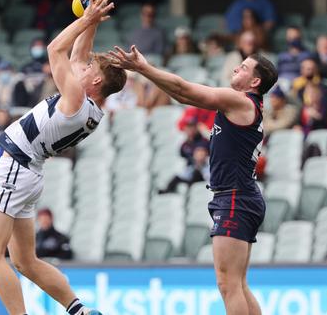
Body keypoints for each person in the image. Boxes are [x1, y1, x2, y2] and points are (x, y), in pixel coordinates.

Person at [0, 0, 124, 315]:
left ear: (95, 80)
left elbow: (55, 50)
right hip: (29, 173)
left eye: (89, 68)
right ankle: (79, 310)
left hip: (14, 170)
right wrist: (92, 18)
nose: (82, 66)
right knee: (25, 261)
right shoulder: (89, 108)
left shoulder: (75, 97)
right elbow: (78, 54)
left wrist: (86, 21)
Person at [110, 43, 278, 314]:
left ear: (255, 81)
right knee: (238, 284)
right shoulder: (247, 105)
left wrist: (143, 68)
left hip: (235, 197)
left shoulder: (240, 100)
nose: (236, 67)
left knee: (228, 285)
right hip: (240, 195)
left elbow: (183, 91)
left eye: (244, 67)